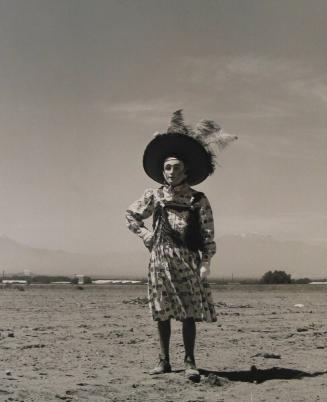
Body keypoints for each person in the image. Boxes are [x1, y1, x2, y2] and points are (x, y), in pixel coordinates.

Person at [125, 110, 237, 381]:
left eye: (176, 167)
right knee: (161, 311)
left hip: (188, 259)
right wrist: (145, 235)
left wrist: (206, 262)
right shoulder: (154, 195)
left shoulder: (198, 199)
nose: (171, 172)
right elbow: (130, 214)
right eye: (167, 167)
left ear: (186, 169)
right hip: (160, 259)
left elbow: (208, 232)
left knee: (188, 312)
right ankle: (164, 361)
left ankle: (190, 361)